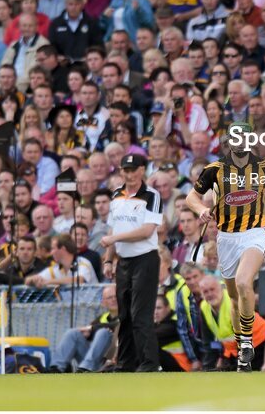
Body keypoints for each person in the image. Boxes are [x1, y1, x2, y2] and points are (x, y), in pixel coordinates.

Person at [186, 122, 265, 371]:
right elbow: (192, 196)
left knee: (245, 282)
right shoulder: (214, 170)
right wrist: (200, 210)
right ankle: (241, 341)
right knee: (233, 298)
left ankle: (246, 343)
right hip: (226, 237)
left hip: (255, 233)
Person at [100, 154, 164, 373]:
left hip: (145, 259)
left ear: (142, 170)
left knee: (140, 313)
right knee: (125, 314)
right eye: (125, 170)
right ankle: (125, 363)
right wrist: (109, 259)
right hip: (124, 261)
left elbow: (147, 232)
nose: (128, 174)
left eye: (132, 169)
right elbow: (113, 228)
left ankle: (149, 362)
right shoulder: (117, 195)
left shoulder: (151, 195)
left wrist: (115, 240)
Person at [50, 285, 119, 373]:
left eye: (116, 296)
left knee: (103, 332)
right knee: (73, 333)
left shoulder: (127, 315)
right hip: (94, 360)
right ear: (103, 302)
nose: (114, 299)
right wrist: (88, 332)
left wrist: (92, 328)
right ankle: (56, 368)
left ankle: (86, 368)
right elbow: (88, 332)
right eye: (110, 297)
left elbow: (117, 324)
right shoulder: (102, 318)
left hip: (111, 362)